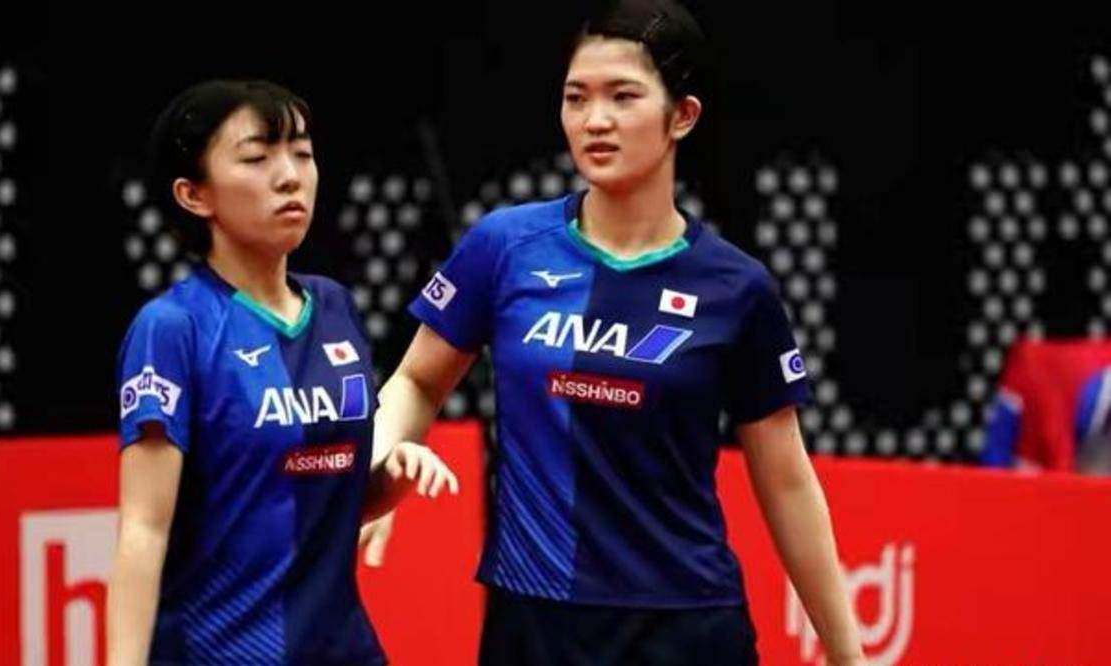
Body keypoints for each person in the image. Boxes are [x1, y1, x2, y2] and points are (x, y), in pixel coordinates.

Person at [369, 1, 864, 663]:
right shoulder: (505, 246)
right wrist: (373, 472)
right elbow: (417, 381)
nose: (594, 120)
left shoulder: (736, 288)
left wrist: (847, 652)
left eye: (623, 97)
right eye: (576, 98)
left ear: (682, 116)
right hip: (534, 621)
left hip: (684, 627)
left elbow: (786, 480)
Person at [106, 79, 457, 665]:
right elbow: (144, 530)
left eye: (302, 153)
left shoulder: (335, 309)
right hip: (220, 653)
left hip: (344, 649)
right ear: (194, 195)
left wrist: (388, 480)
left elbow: (321, 502)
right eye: (257, 157)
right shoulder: (173, 329)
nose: (291, 176)